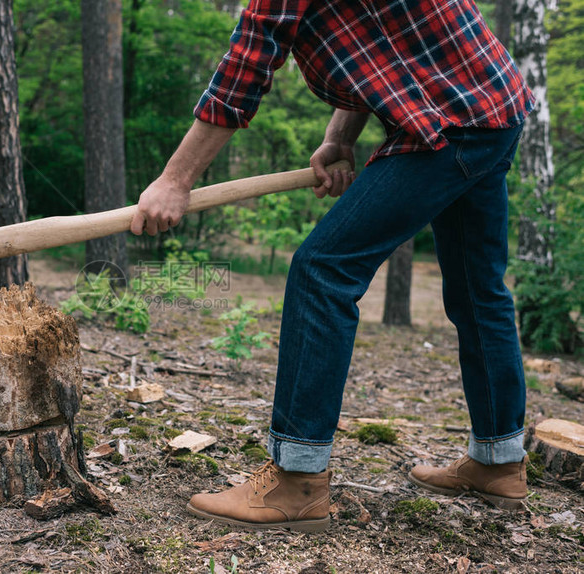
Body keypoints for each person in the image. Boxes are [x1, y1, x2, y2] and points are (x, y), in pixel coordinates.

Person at [129, 0, 534, 532]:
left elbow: (244, 71)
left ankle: (296, 480)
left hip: (454, 121)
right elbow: (382, 46)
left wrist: (176, 179)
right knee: (479, 290)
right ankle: (500, 461)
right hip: (490, 105)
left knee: (322, 272)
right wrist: (341, 135)